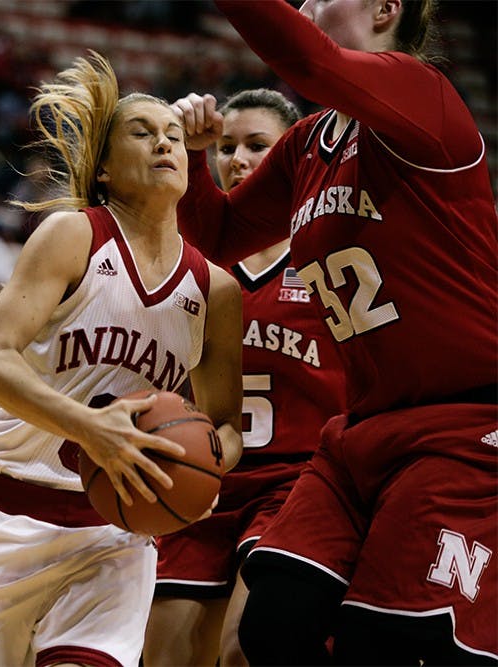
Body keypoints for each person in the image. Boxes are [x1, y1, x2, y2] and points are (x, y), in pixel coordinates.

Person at [173, 1, 498, 663]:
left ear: (385, 9)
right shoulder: (309, 142)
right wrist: (195, 164)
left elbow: (308, 60)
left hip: (459, 425)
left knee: (385, 642)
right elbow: (222, 234)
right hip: (359, 433)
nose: (307, 4)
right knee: (270, 628)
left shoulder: (423, 95)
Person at [0, 52, 244, 666]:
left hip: (113, 536)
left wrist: (207, 469)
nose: (163, 142)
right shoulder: (74, 235)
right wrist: (90, 429)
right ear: (104, 167)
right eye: (141, 132)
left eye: (171, 134)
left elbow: (226, 424)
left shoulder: (215, 290)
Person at [143, 89, 347, 667]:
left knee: (244, 649)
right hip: (201, 476)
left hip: (298, 480)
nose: (238, 158)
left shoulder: (331, 255)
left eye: (258, 145)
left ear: (290, 156)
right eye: (227, 147)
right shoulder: (190, 256)